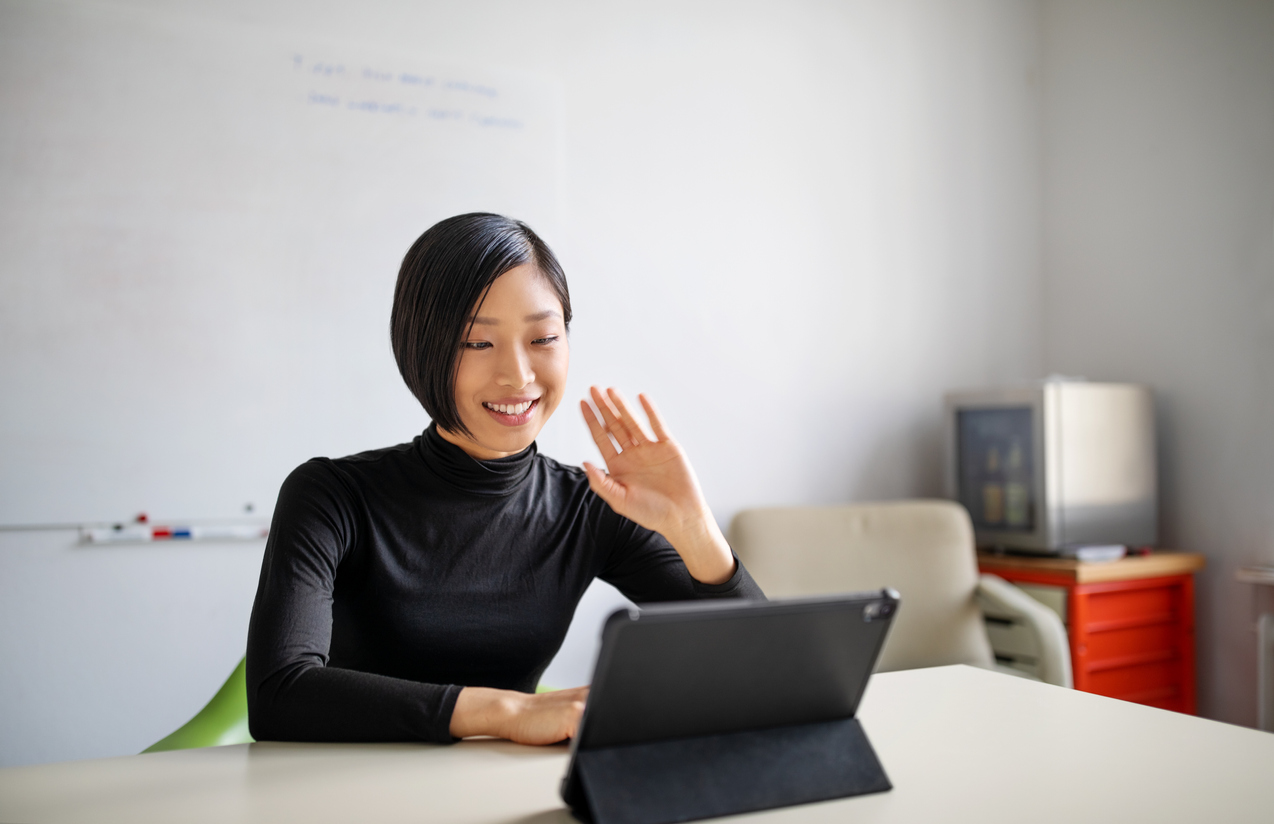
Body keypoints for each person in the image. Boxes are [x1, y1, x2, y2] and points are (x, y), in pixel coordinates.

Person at [246, 213, 764, 747]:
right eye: (477, 343)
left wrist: (695, 531)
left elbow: (761, 666)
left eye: (543, 337)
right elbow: (279, 694)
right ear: (420, 345)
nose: (518, 375)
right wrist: (508, 711)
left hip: (503, 791)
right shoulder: (331, 496)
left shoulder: (589, 507)